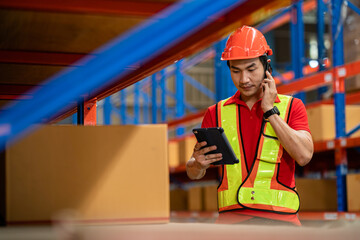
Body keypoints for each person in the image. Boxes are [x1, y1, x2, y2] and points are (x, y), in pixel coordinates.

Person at [186, 26, 314, 226]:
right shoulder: (216, 113)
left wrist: (270, 110)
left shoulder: (291, 107)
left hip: (281, 222)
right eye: (236, 71)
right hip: (231, 223)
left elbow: (304, 156)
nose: (244, 79)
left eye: (251, 69)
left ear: (267, 67)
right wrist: (198, 165)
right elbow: (193, 171)